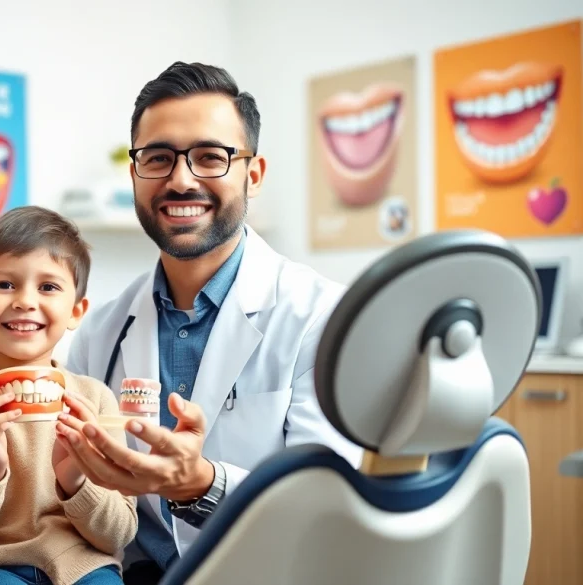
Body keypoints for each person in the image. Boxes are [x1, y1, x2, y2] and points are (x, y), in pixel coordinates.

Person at [55, 62, 365, 583]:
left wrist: (202, 484)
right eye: (158, 158)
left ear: (254, 174)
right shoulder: (100, 333)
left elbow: (327, 508)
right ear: (135, 174)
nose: (181, 180)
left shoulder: (323, 317)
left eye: (209, 158)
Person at [0, 206, 138, 585]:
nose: (25, 300)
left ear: (76, 311)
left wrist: (74, 480)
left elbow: (119, 534)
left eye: (48, 287)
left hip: (85, 566)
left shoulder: (95, 401)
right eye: (5, 284)